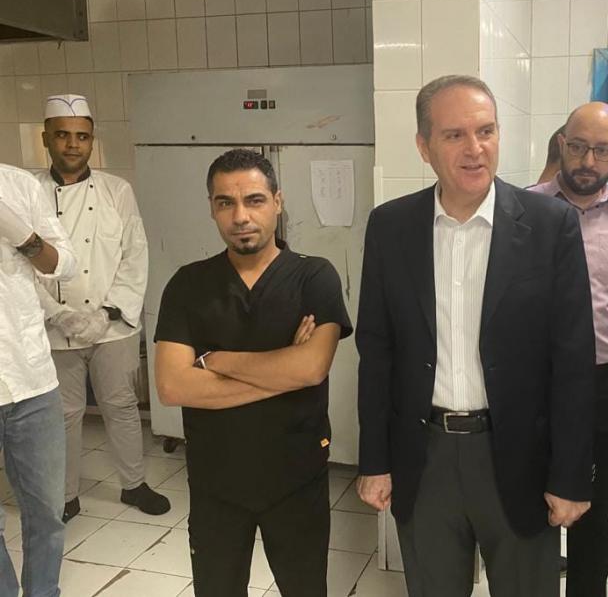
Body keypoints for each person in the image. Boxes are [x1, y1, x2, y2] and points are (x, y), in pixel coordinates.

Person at [356, 75, 596, 597]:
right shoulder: (391, 227)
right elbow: (376, 352)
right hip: (426, 455)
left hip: (519, 455)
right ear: (424, 146)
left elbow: (574, 360)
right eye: (454, 135)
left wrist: (571, 476)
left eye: (485, 131)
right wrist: (374, 461)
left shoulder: (549, 225)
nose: (475, 148)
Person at [153, 149, 352, 596]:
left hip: (296, 477)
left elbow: (311, 368)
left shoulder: (313, 277)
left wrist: (215, 360)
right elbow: (172, 386)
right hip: (216, 482)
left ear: (277, 202)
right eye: (225, 202)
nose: (240, 216)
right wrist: (283, 371)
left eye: (255, 200)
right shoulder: (188, 284)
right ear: (211, 208)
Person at [531, 102, 608, 596]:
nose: (587, 161)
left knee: (596, 512)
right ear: (562, 143)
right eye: (578, 146)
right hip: (537, 385)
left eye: (602, 151)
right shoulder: (523, 210)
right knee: (531, 509)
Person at [33, 94, 169, 523]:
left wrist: (106, 313)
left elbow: (135, 254)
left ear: (92, 141)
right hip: (55, 326)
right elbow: (19, 264)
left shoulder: (116, 191)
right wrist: (58, 314)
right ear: (45, 139)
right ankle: (65, 494)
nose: (73, 144)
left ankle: (134, 484)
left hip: (112, 325)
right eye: (62, 135)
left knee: (121, 405)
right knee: (64, 414)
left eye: (82, 136)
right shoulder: (28, 191)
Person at [0, 163, 76, 597]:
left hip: (32, 382)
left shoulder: (18, 185)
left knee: (47, 512)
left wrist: (21, 234)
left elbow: (65, 264)